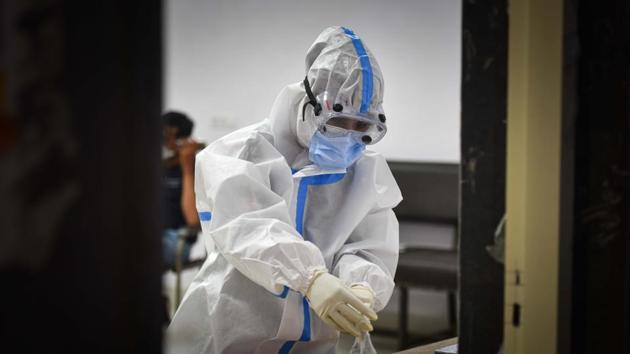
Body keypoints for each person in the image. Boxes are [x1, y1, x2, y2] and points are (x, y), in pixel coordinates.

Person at [167, 26, 402, 354]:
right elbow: (249, 229)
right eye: (338, 123)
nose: (349, 138)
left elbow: (367, 243)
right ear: (309, 105)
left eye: (361, 127)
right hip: (232, 330)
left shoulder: (365, 170)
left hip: (315, 340)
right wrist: (311, 278)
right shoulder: (241, 153)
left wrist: (363, 284)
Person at [161, 111, 202, 269]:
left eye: (169, 139)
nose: (165, 144)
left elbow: (193, 220)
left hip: (176, 240)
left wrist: (187, 169)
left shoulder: (193, 171)